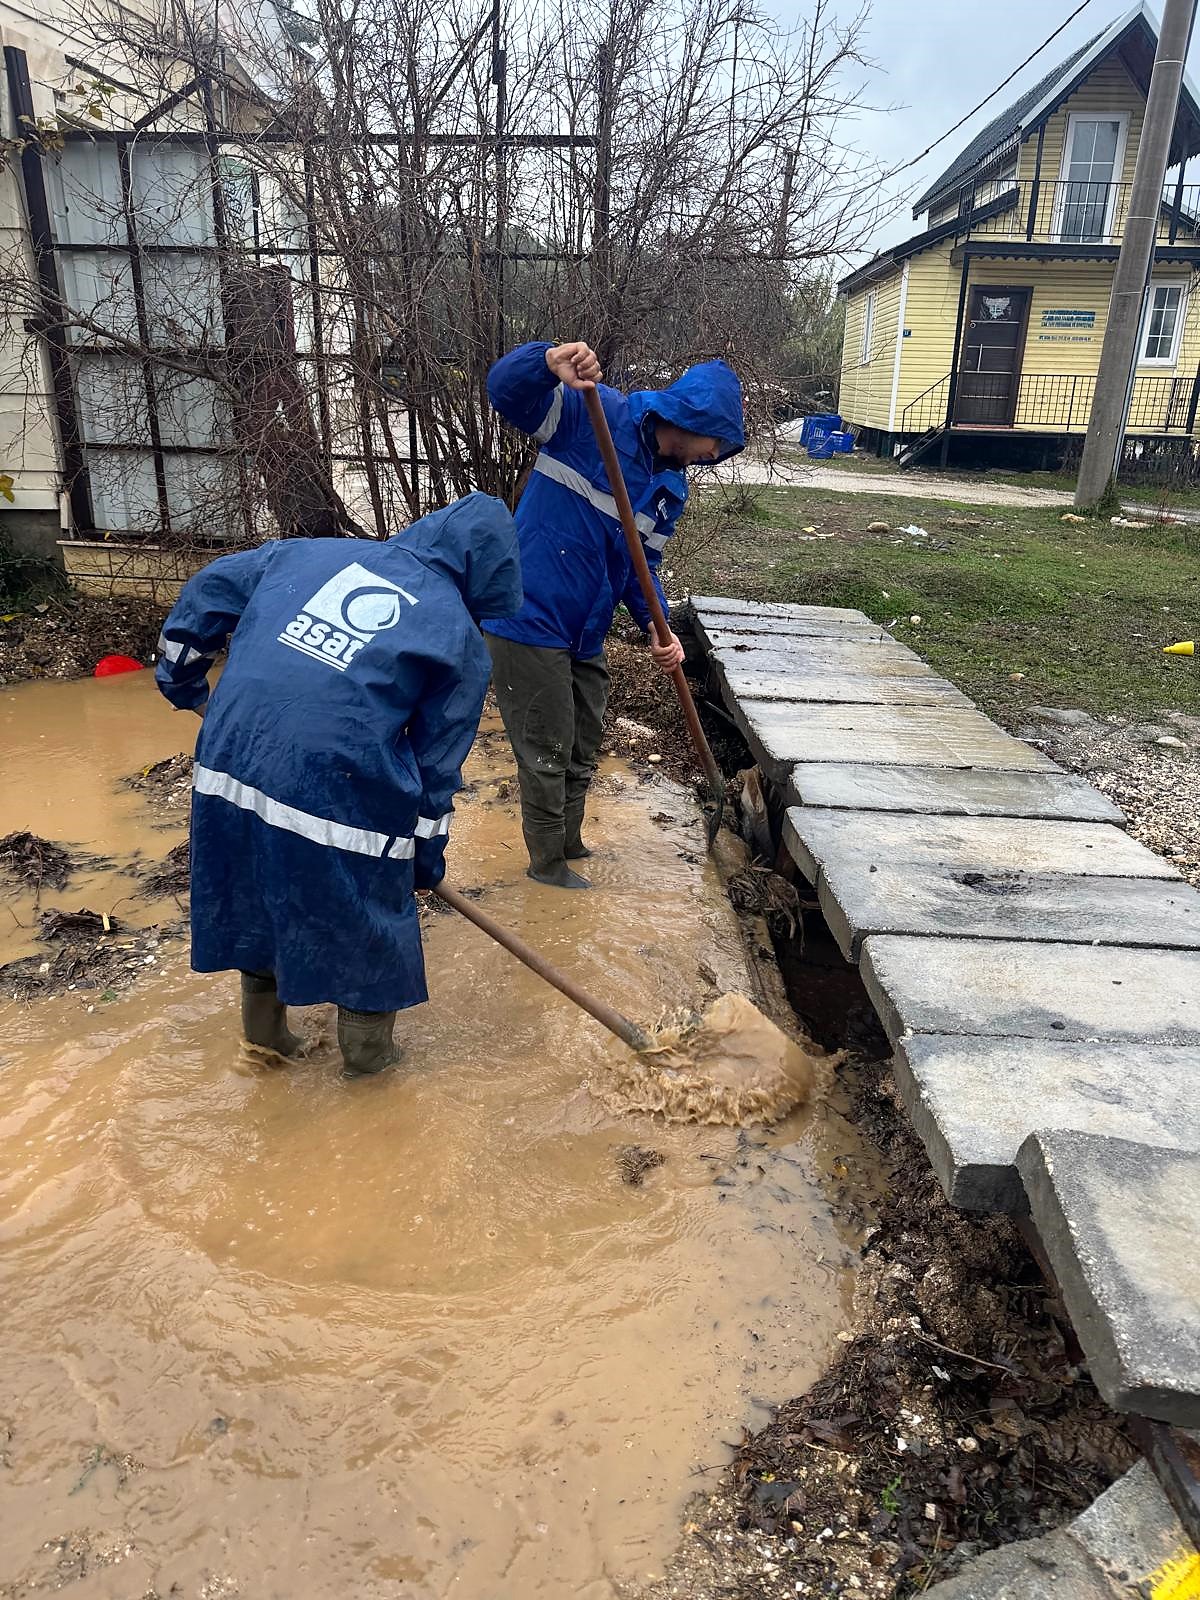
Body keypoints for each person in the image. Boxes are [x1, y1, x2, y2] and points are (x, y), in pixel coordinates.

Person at [154, 493, 522, 1076]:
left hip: (225, 772)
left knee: (258, 899)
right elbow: (436, 770)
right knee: (373, 934)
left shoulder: (304, 555)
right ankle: (372, 1080)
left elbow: (208, 588)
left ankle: (266, 1049)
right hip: (335, 791)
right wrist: (420, 861)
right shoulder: (458, 638)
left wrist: (183, 679)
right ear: (490, 575)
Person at [482, 340, 744, 889]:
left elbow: (640, 567)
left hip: (585, 630)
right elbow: (504, 392)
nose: (711, 456)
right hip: (529, 616)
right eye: (713, 444)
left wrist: (657, 625)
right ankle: (546, 866)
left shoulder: (669, 488)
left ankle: (569, 842)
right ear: (689, 418)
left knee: (582, 740)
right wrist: (545, 362)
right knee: (547, 747)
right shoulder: (590, 412)